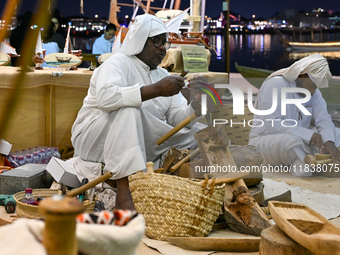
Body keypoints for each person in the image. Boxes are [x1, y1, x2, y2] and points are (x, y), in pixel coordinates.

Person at [71, 14, 203, 210]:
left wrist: (197, 105)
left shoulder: (162, 74)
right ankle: (125, 193)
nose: (161, 47)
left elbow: (177, 120)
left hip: (140, 139)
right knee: (128, 109)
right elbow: (106, 99)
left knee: (201, 130)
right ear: (140, 39)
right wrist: (156, 89)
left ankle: (212, 178)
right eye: (156, 41)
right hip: (94, 138)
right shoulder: (117, 62)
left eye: (164, 43)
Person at [249, 53, 340, 176]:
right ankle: (309, 165)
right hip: (266, 142)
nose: (313, 91)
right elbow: (273, 123)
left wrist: (329, 141)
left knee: (336, 133)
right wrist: (309, 135)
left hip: (302, 140)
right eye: (312, 86)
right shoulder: (275, 85)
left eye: (316, 87)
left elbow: (324, 119)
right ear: (301, 75)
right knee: (291, 142)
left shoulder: (314, 92)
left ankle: (306, 162)